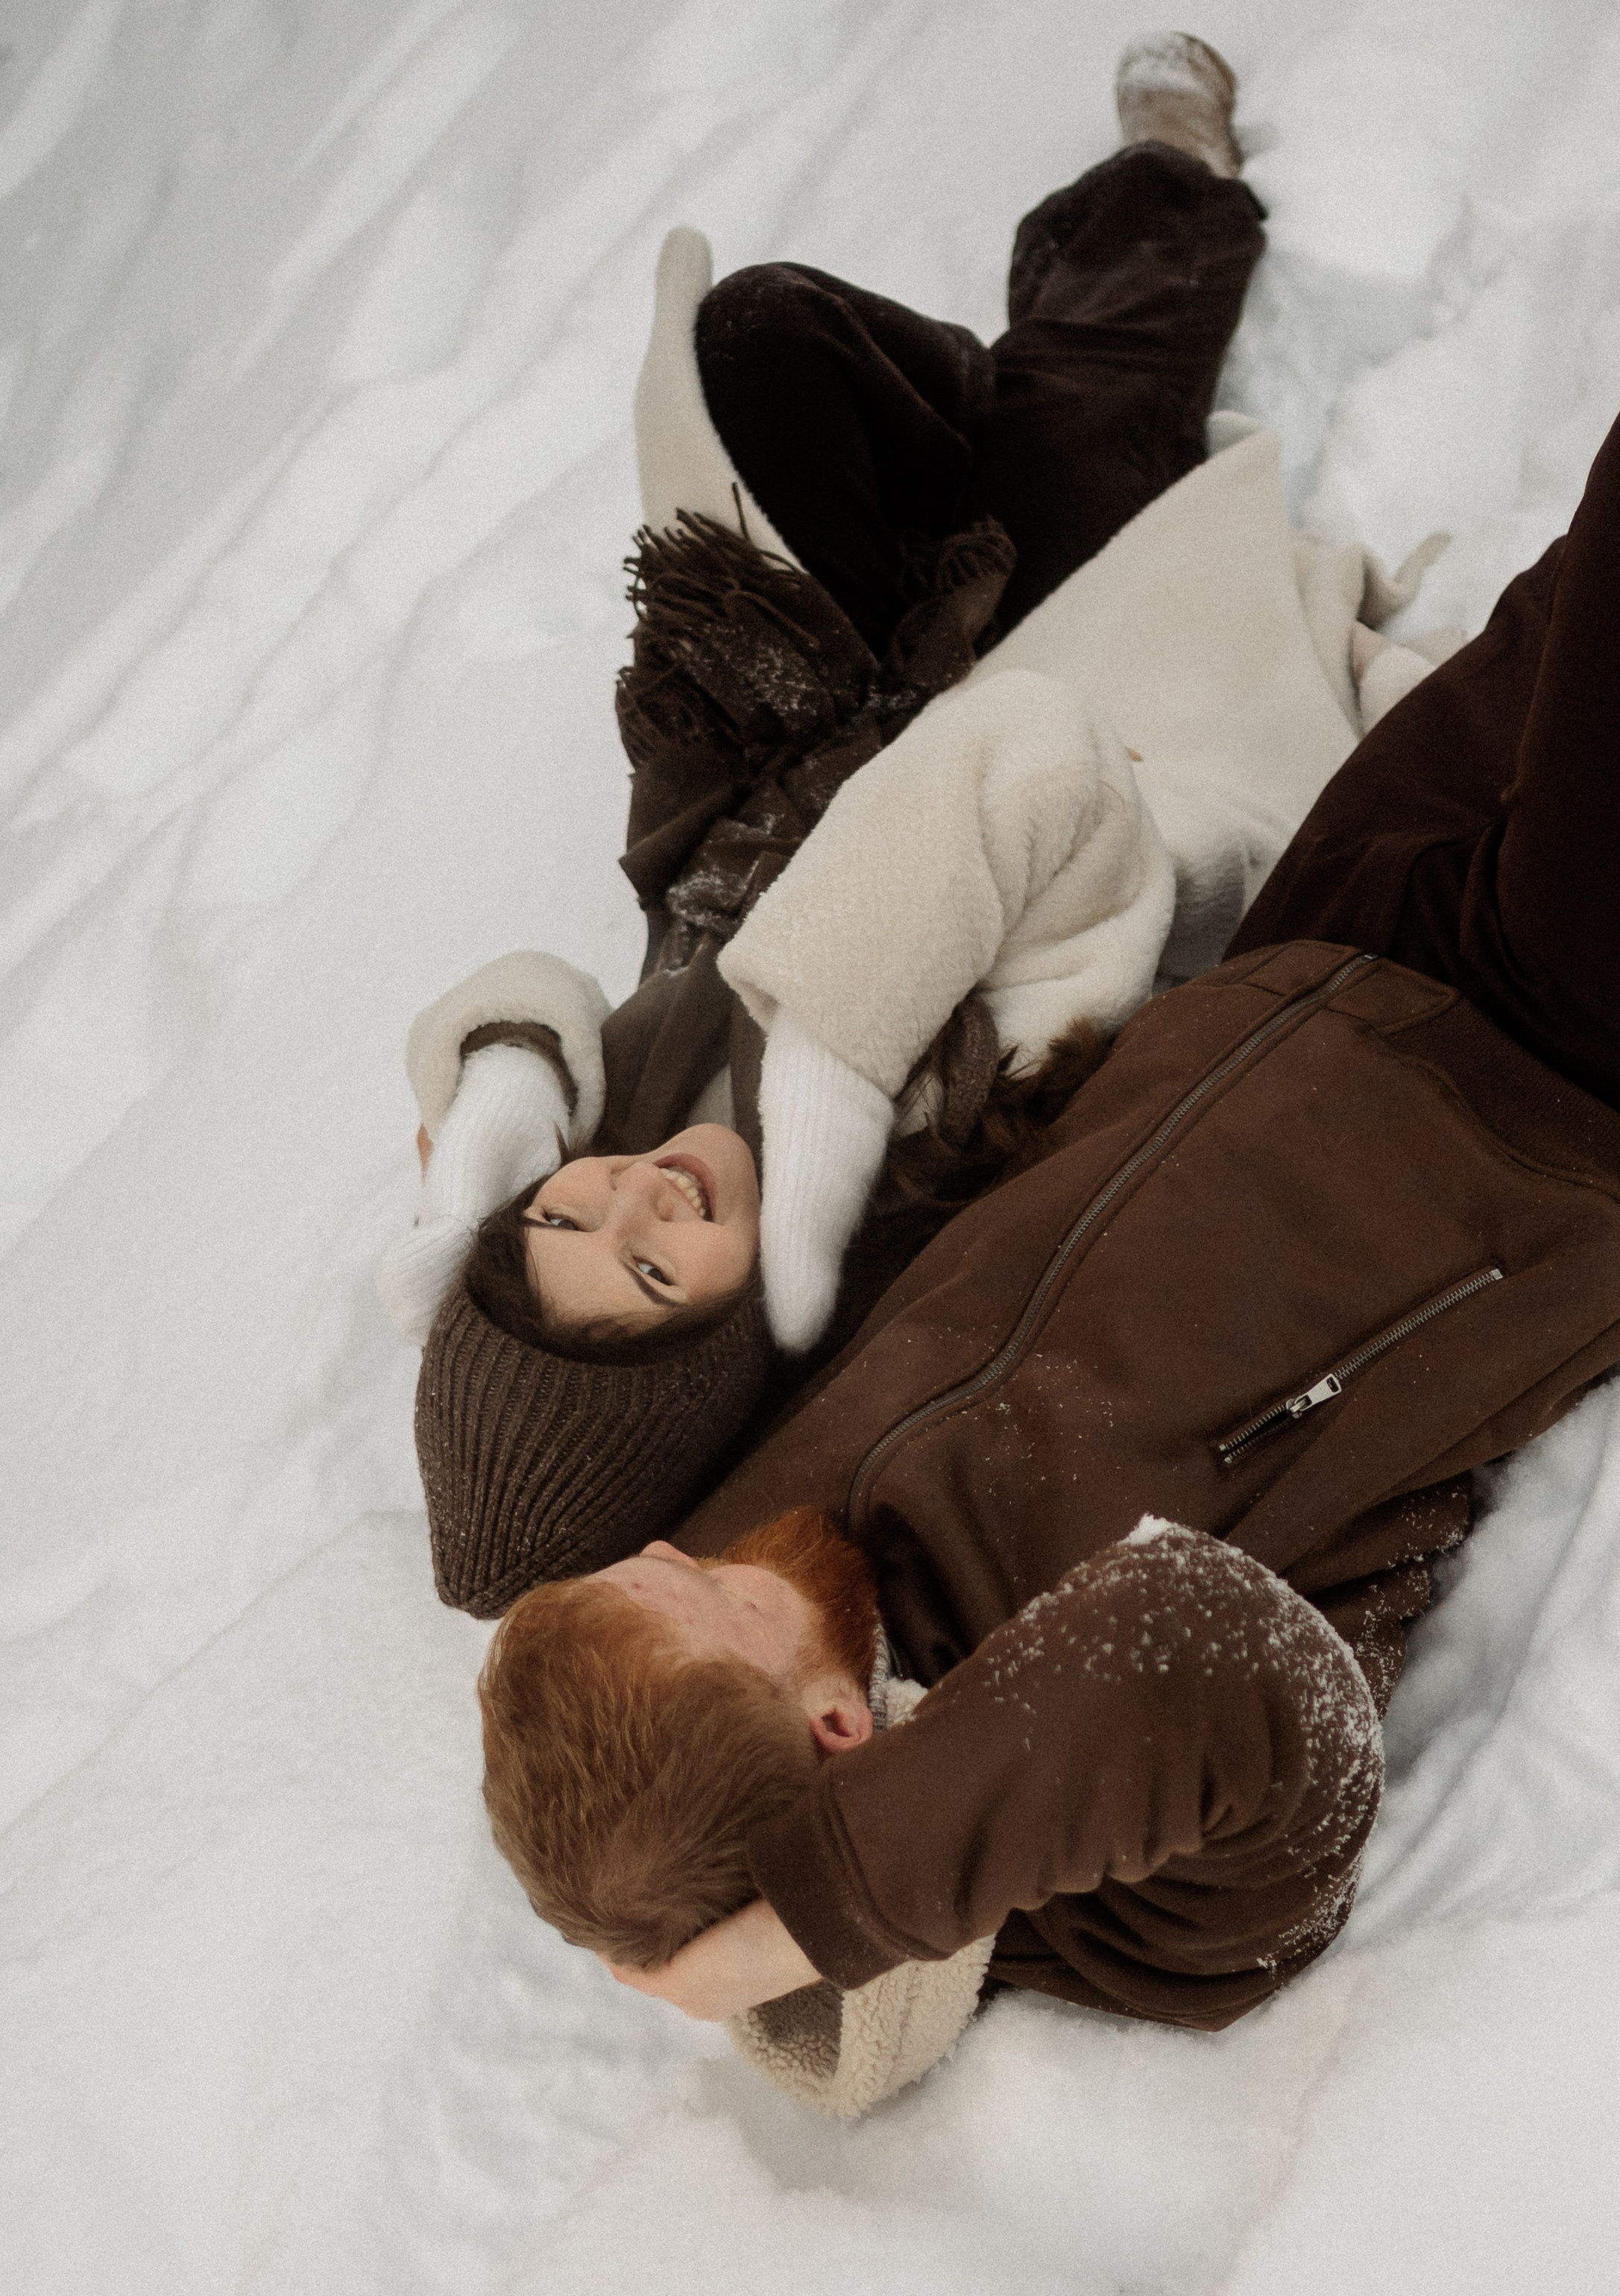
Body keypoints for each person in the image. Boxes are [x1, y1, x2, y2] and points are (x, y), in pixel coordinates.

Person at [473, 4, 1620, 2117]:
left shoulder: (766, 1559)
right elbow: (1234, 1691)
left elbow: (513, 1431)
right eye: (682, 1595)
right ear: (851, 1755)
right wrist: (841, 1903)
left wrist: (497, 1098)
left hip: (1331, 945)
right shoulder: (1136, 1879)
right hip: (1575, 1089)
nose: (691, 1536)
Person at [380, 34, 1452, 1617]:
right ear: (720, 1347)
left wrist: (499, 1089)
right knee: (1094, 402)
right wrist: (834, 1037)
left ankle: (1003, 418)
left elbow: (539, 997)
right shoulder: (947, 1135)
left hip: (886, 694)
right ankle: (1153, 217)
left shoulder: (655, 1131)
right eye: (653, 1264)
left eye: (566, 1207)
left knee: (756, 347)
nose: (638, 1192)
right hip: (1104, 673)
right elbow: (1038, 762)